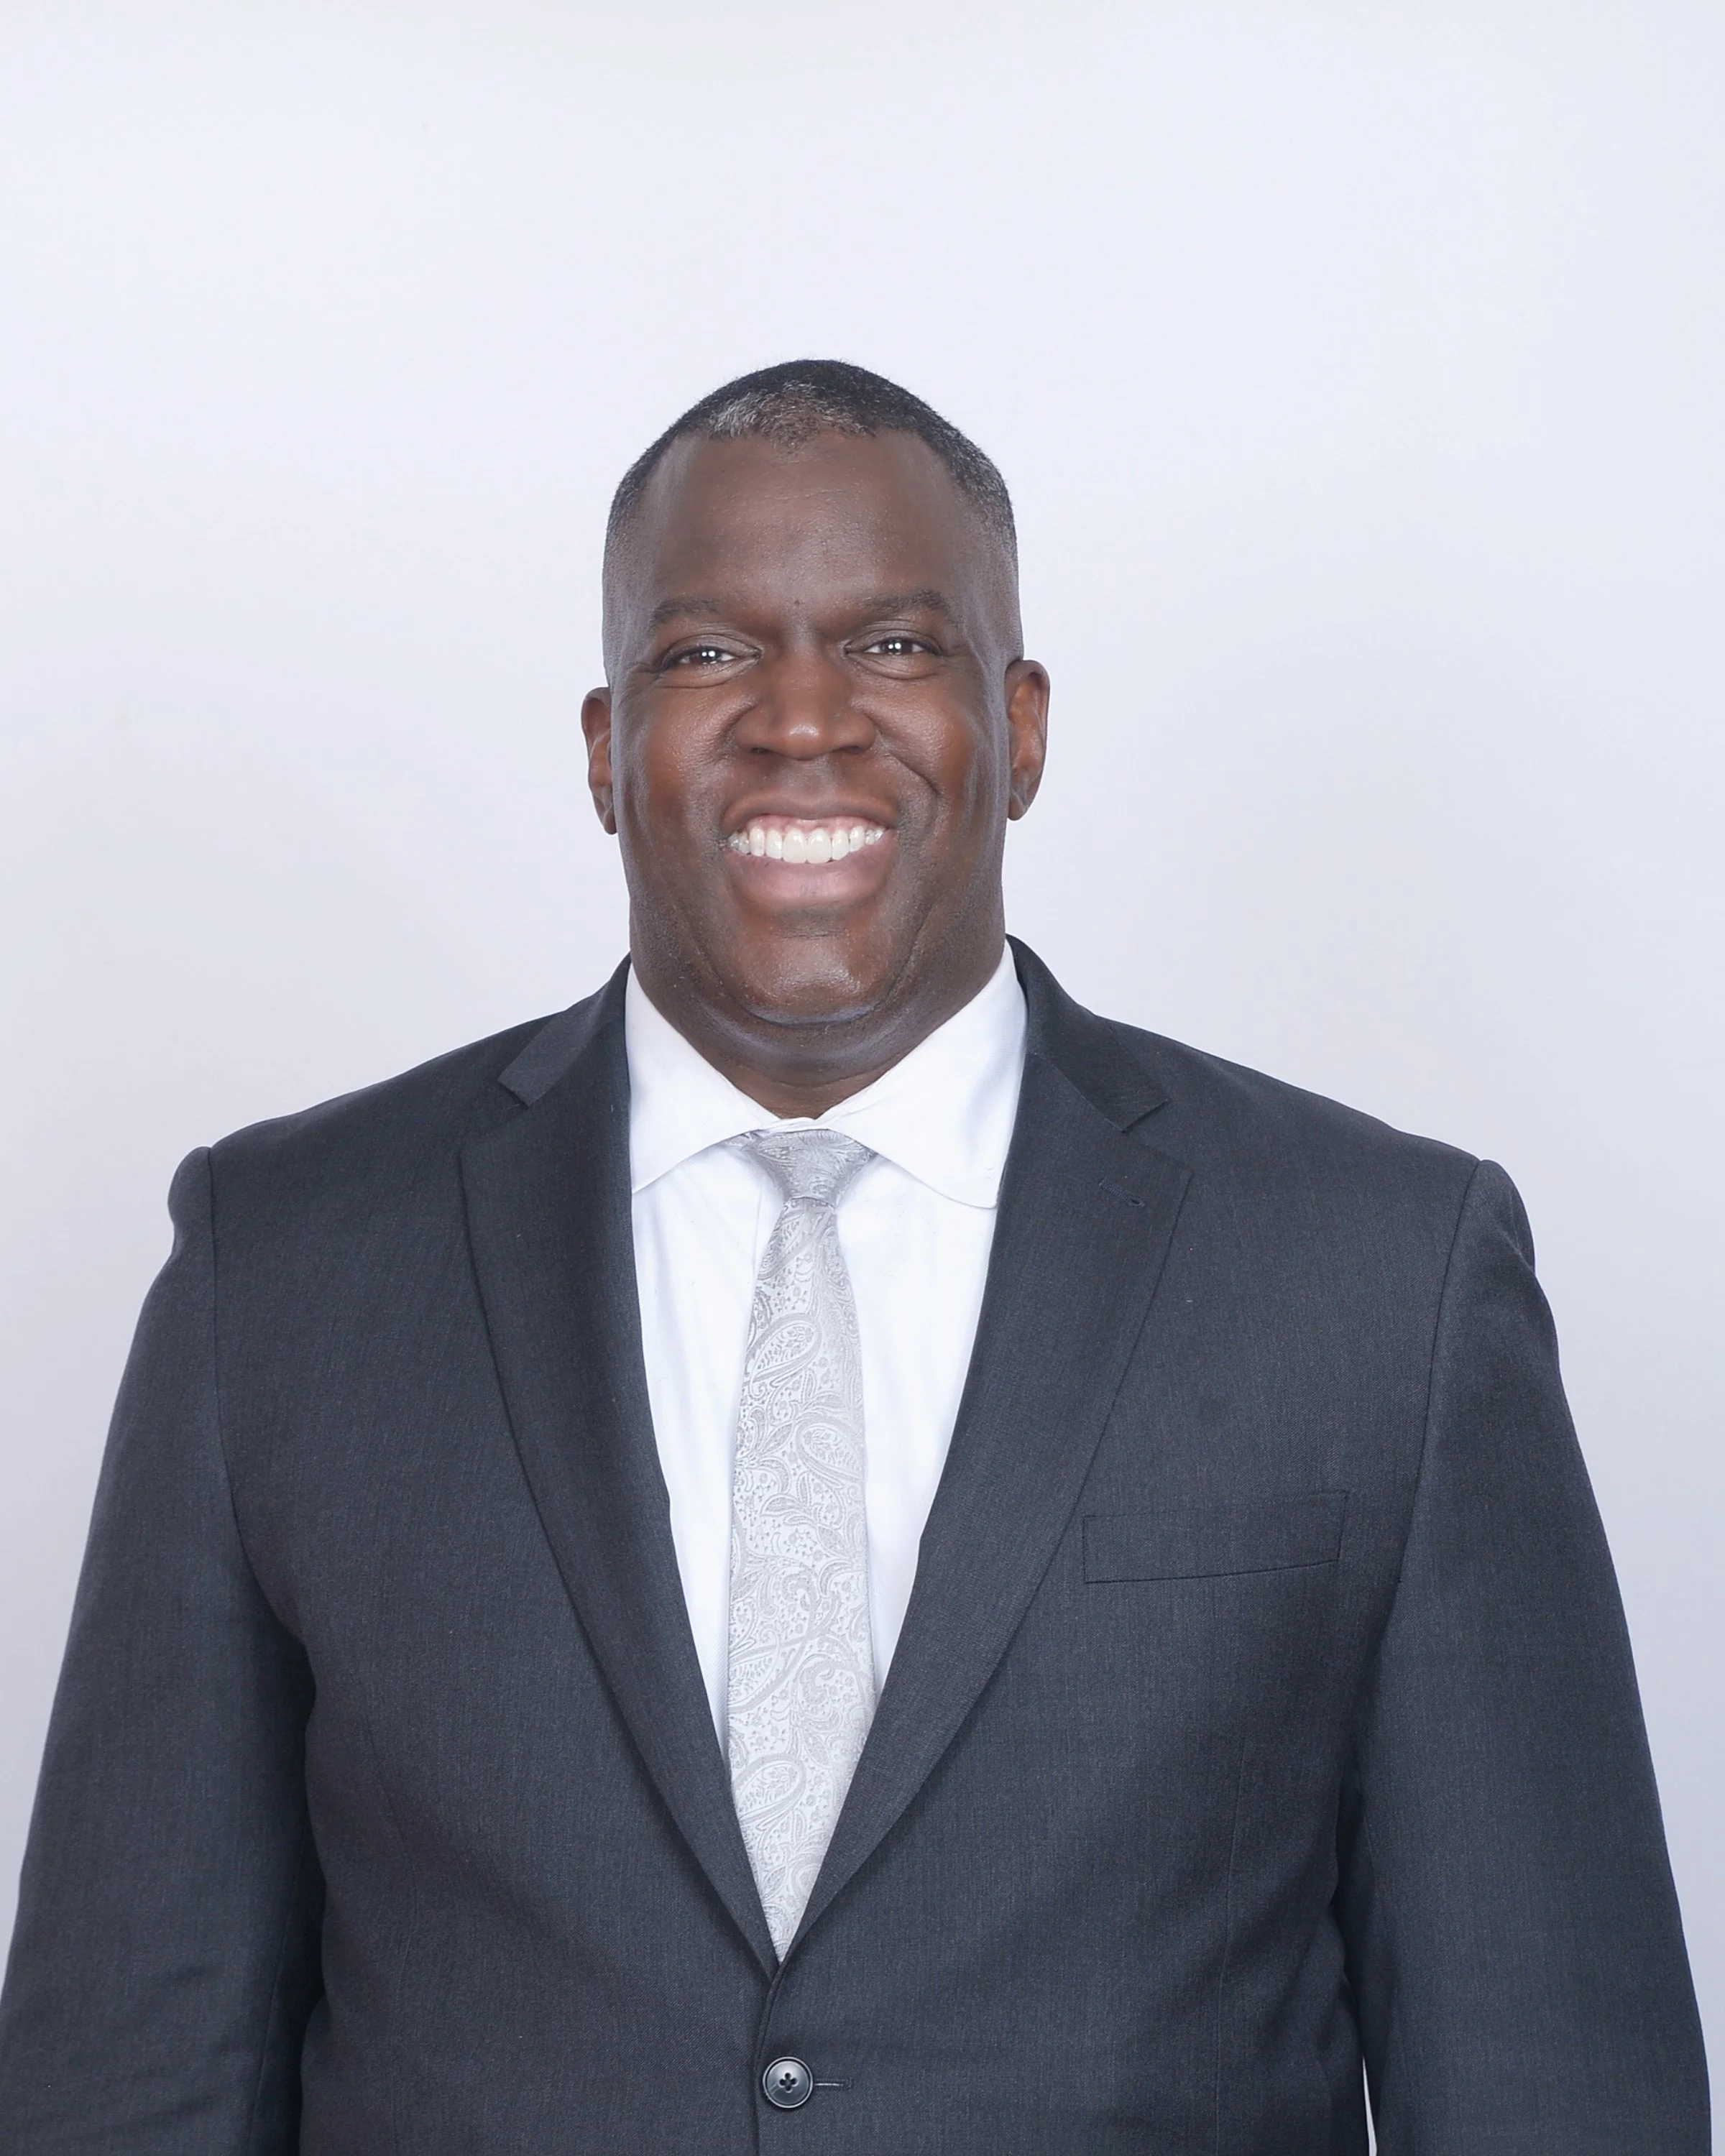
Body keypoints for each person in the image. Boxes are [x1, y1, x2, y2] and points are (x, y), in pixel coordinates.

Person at [0, 359, 1707, 2154]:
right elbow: (127, 2078)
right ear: (602, 748)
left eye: (893, 647)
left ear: (1022, 724)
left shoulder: (1384, 1282)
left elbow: (1553, 2085)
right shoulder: (280, 1271)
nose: (801, 719)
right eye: (706, 654)